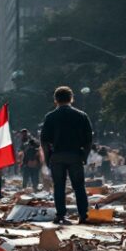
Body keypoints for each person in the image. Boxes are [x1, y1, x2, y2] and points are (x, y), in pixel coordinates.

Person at [40, 85, 93, 224]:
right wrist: (84, 157)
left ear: (55, 100)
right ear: (71, 99)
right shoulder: (81, 115)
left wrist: (47, 159)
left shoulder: (50, 117)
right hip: (75, 155)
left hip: (57, 157)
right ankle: (83, 214)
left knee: (59, 186)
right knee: (79, 186)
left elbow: (44, 141)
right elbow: (88, 140)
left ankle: (61, 215)